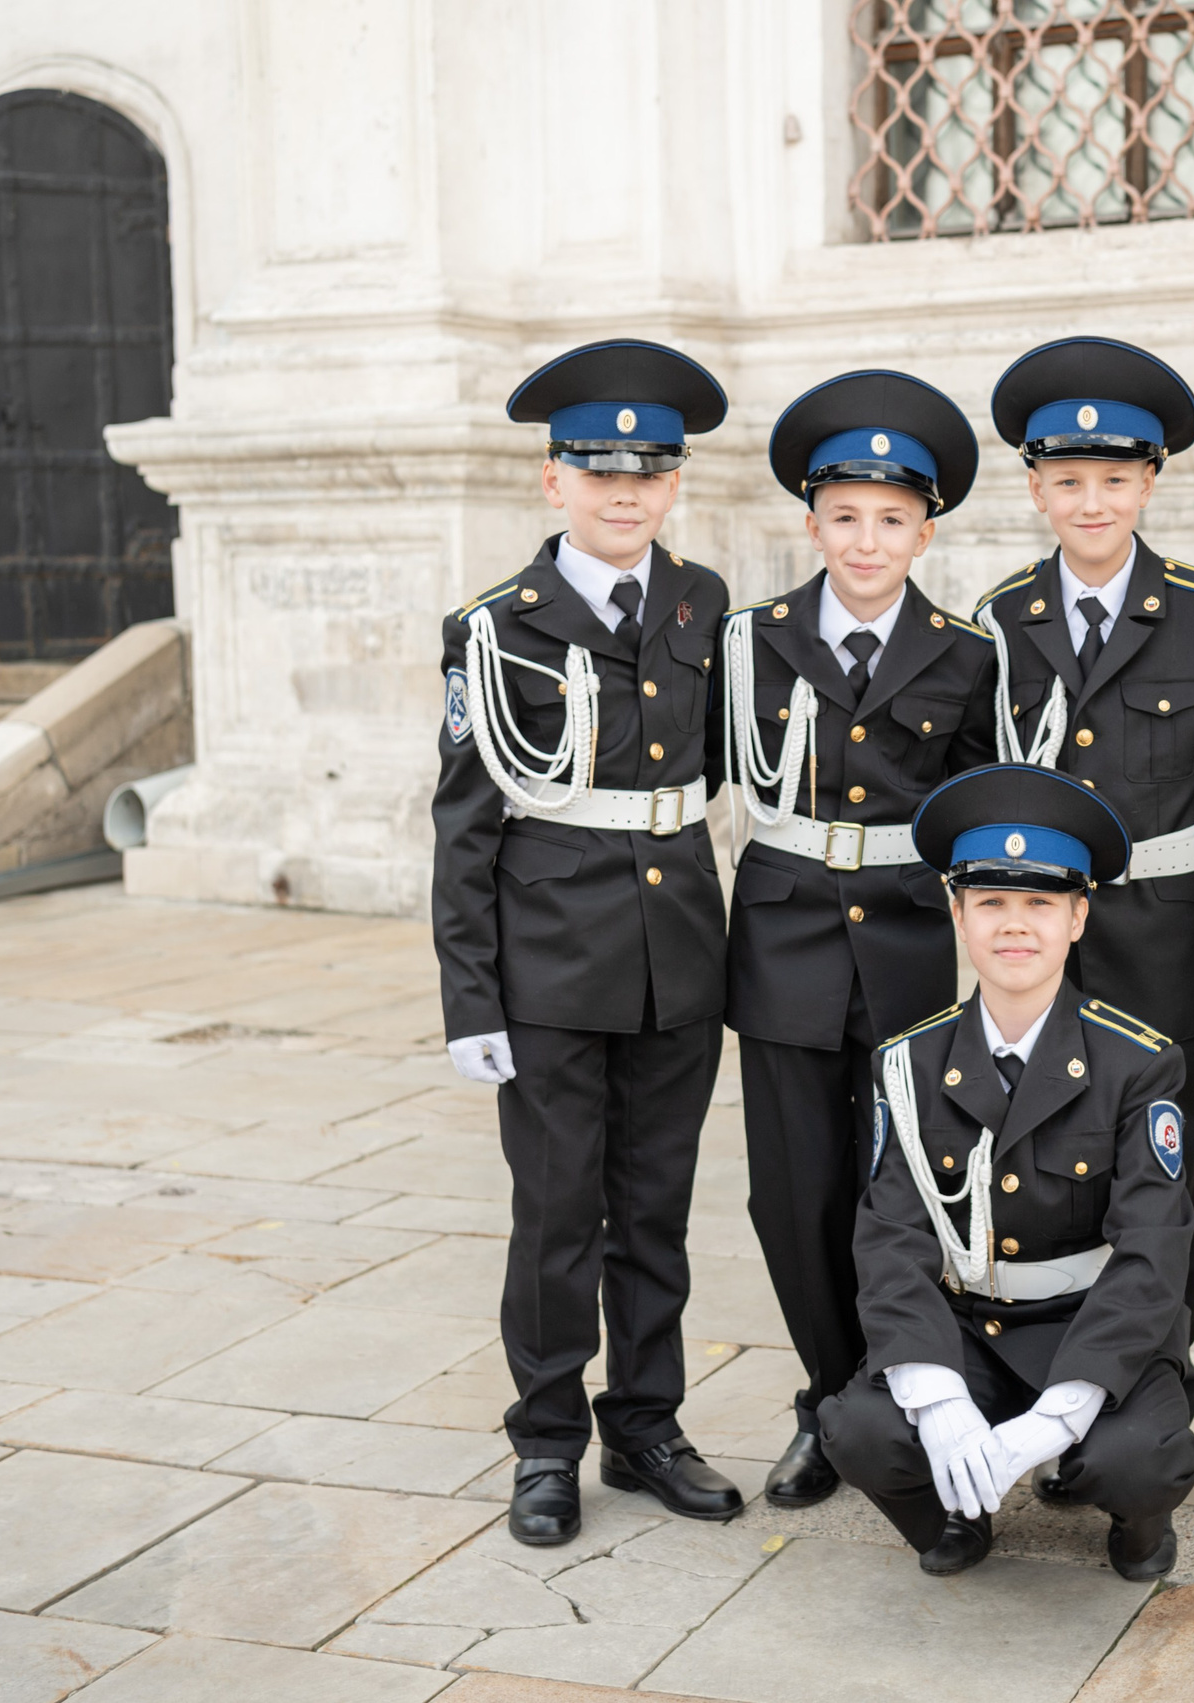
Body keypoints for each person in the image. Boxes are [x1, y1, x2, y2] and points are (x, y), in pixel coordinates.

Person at [431, 339, 744, 1545]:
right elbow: (465, 830)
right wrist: (472, 1002)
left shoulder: (703, 601)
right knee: (560, 1214)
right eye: (596, 468)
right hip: (550, 969)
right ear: (551, 480)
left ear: (673, 484)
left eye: (650, 471)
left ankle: (648, 1422)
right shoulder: (496, 628)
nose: (625, 492)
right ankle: (548, 1438)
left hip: (676, 954)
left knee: (654, 1207)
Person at [717, 369, 998, 1509]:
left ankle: (898, 1387)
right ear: (811, 521)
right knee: (792, 1192)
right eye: (844, 516)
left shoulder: (966, 653)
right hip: (782, 942)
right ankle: (829, 1403)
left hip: (903, 952)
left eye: (891, 518)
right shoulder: (749, 641)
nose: (866, 539)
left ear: (923, 529)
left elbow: (978, 808)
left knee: (901, 1188)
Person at [820, 763, 1194, 1581]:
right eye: (991, 902)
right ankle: (956, 1517)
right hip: (969, 1328)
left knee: (1140, 1457)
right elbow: (890, 1237)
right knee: (859, 1429)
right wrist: (937, 1391)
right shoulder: (909, 1062)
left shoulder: (1139, 1063)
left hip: (1088, 1319)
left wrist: (1063, 1413)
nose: (1014, 926)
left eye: (1039, 903)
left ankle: (1137, 1527)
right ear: (958, 915)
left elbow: (1154, 1251)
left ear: (1078, 917)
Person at [975, 337, 1194, 1447]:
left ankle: (1150, 1407)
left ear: (1150, 482)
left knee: (1160, 1184)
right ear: (1036, 487)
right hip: (1039, 952)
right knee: (1041, 1172)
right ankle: (1040, 1387)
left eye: (1115, 478)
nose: (1092, 500)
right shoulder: (1000, 621)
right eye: (1069, 480)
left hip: (1170, 945)